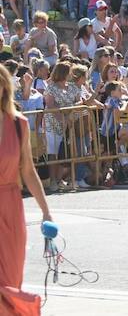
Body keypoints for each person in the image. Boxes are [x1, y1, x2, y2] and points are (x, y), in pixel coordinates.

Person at [1, 62, 54, 291]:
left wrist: (45, 211)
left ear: (4, 87)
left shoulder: (18, 124)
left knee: (12, 280)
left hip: (11, 207)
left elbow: (29, 171)